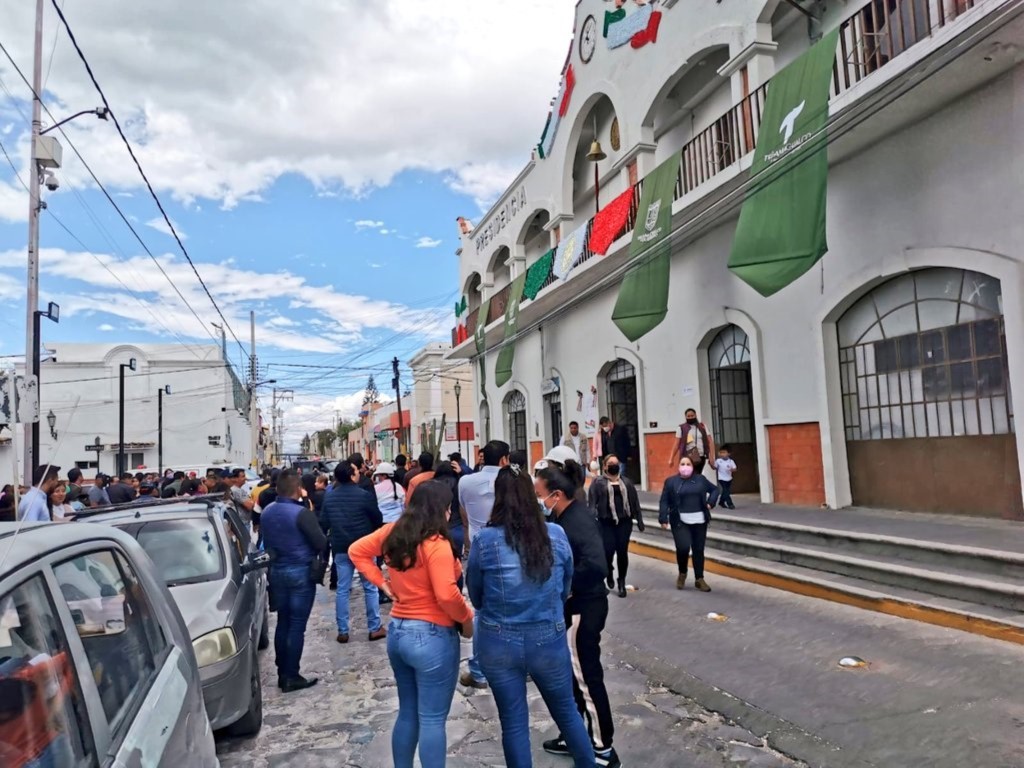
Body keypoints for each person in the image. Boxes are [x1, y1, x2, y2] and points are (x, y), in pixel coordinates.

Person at [467, 466, 596, 768]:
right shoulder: (556, 534)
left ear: (498, 498)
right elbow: (565, 586)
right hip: (547, 638)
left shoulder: (485, 540)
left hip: (498, 641)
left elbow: (476, 595)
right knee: (567, 713)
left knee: (513, 723)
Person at [348, 481, 473, 768]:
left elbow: (356, 550)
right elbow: (446, 594)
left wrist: (382, 583)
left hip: (399, 631)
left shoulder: (394, 532)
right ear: (441, 510)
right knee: (432, 719)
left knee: (407, 713)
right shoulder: (436, 544)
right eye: (449, 508)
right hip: (432, 635)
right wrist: (466, 619)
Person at [536, 459, 619, 768]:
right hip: (573, 608)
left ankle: (603, 748)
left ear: (556, 494)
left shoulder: (577, 521)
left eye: (540, 494)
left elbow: (597, 565)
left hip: (585, 608)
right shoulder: (565, 517)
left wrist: (566, 586)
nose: (539, 501)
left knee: (586, 677)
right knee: (571, 678)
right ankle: (574, 736)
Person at [260, 470, 328, 692]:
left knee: (283, 621)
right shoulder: (301, 513)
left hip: (277, 571)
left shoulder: (267, 512)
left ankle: (283, 672)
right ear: (298, 489)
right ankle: (291, 675)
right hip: (300, 571)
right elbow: (320, 542)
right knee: (297, 625)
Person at [456, 439, 510, 689]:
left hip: (480, 548)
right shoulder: (513, 481)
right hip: (509, 547)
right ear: (504, 459)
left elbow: (464, 512)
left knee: (481, 610)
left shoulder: (466, 482)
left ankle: (478, 671)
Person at [320, 460, 386, 643]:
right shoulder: (364, 495)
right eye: (356, 471)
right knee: (370, 587)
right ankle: (374, 627)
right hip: (364, 547)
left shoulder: (330, 497)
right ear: (351, 475)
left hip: (341, 547)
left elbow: (323, 523)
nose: (358, 474)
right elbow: (377, 518)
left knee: (342, 589)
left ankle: (343, 630)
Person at [659, 455, 719, 592]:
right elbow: (664, 500)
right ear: (678, 466)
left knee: (698, 549)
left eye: (688, 464)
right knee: (683, 547)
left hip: (700, 520)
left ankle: (699, 578)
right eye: (682, 464)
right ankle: (682, 573)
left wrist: (711, 503)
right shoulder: (671, 482)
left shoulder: (700, 480)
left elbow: (715, 490)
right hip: (679, 520)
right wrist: (663, 518)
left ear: (693, 466)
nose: (685, 467)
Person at [588, 455, 644, 598]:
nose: (614, 465)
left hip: (624, 522)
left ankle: (621, 581)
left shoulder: (627, 482)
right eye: (611, 463)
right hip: (606, 522)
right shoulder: (598, 483)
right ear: (605, 466)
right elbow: (592, 503)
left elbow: (634, 502)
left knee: (622, 552)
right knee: (608, 552)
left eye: (616, 463)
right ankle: (609, 571)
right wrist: (591, 520)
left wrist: (639, 520)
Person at [433, 459, 468, 588]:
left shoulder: (431, 486)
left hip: (435, 530)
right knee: (456, 564)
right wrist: (462, 472)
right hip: (456, 528)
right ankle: (457, 590)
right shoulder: (459, 485)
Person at [668, 408, 714, 478]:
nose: (690, 417)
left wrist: (711, 456)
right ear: (685, 417)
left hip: (701, 455)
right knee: (689, 475)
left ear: (695, 415)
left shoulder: (702, 426)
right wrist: (671, 458)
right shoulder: (682, 428)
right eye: (688, 416)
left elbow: (710, 442)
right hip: (689, 454)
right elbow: (676, 444)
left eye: (692, 416)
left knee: (697, 475)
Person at [712, 445, 738, 510]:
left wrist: (731, 469)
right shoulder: (718, 461)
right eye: (721, 452)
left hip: (729, 478)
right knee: (726, 491)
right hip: (721, 478)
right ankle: (730, 504)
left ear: (728, 453)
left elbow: (735, 469)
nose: (722, 454)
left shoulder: (731, 461)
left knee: (726, 491)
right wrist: (711, 464)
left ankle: (721, 502)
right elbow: (714, 467)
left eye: (724, 452)